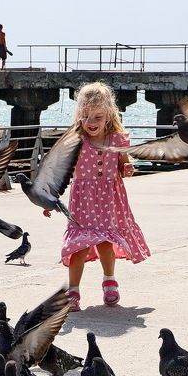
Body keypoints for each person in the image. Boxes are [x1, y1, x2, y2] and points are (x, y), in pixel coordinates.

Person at [60, 82, 147, 311]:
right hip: (82, 202)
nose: (91, 122)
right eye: (86, 116)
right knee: (78, 246)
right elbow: (60, 172)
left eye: (98, 117)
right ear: (79, 115)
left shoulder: (118, 140)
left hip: (109, 199)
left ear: (108, 115)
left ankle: (110, 282)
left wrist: (127, 169)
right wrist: (49, 199)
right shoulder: (76, 140)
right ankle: (73, 291)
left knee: (106, 242)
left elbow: (123, 165)